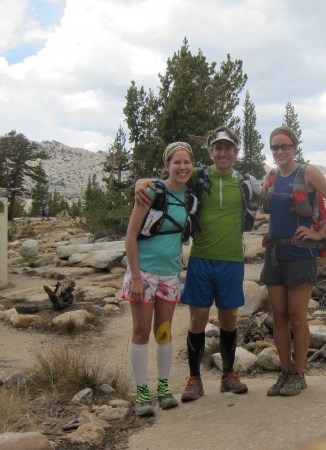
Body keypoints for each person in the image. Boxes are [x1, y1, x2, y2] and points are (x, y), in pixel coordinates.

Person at [135, 126, 261, 403]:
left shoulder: (246, 182)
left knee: (228, 319)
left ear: (236, 151)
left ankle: (229, 375)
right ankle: (195, 378)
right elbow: (167, 177)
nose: (223, 152)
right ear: (211, 151)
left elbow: (271, 196)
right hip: (201, 259)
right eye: (218, 147)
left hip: (231, 260)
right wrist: (140, 182)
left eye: (228, 147)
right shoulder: (197, 174)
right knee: (198, 319)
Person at [260, 126, 326, 397]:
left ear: (295, 147)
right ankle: (284, 373)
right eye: (275, 147)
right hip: (275, 254)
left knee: (297, 317)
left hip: (301, 254)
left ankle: (298, 375)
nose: (280, 151)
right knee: (279, 316)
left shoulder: (307, 172)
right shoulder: (272, 177)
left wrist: (319, 232)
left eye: (285, 146)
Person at [122, 141, 194, 417]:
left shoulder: (190, 194)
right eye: (176, 162)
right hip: (145, 272)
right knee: (141, 332)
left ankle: (163, 389)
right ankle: (142, 394)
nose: (182, 167)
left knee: (163, 331)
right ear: (166, 166)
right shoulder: (151, 191)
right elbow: (130, 236)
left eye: (186, 162)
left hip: (170, 274)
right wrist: (136, 278)